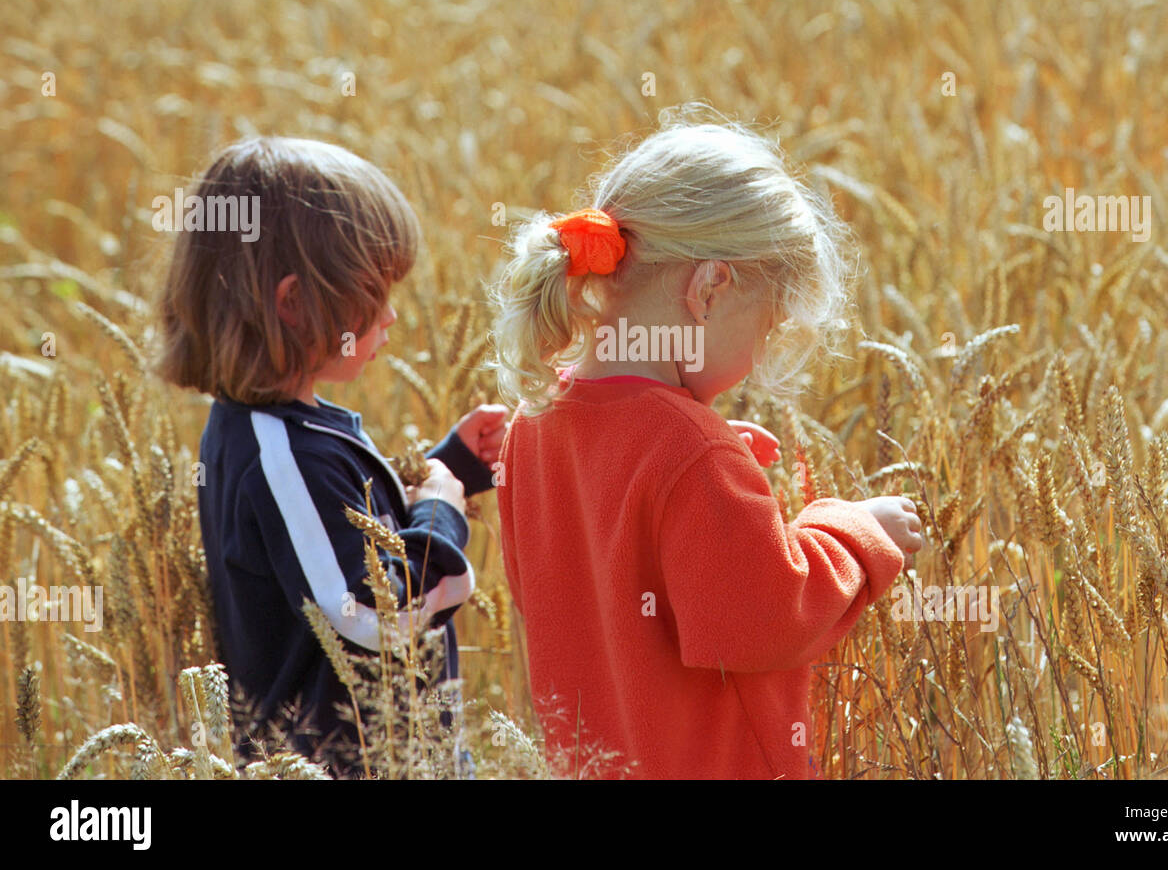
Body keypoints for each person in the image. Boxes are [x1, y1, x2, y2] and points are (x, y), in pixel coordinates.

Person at [491, 105, 925, 779]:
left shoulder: (535, 421)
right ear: (711, 288)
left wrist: (709, 481)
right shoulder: (693, 454)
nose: (760, 354)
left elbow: (566, 582)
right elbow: (765, 621)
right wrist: (853, 532)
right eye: (768, 326)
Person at [156, 136, 506, 777]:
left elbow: (340, 537)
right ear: (292, 303)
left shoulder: (276, 434)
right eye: (376, 291)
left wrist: (449, 467)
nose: (393, 316)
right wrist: (438, 519)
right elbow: (373, 616)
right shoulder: (286, 458)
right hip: (350, 763)